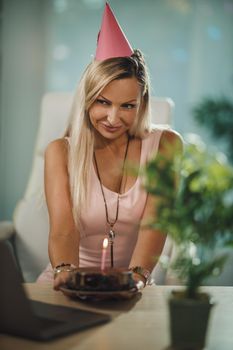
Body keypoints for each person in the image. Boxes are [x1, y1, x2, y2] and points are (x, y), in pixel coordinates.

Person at [37, 3, 182, 290]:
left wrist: (135, 281)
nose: (113, 118)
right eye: (103, 102)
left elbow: (155, 225)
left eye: (127, 106)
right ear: (88, 99)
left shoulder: (166, 145)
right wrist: (67, 275)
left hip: (133, 284)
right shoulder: (60, 152)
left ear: (142, 105)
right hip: (70, 281)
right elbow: (64, 230)